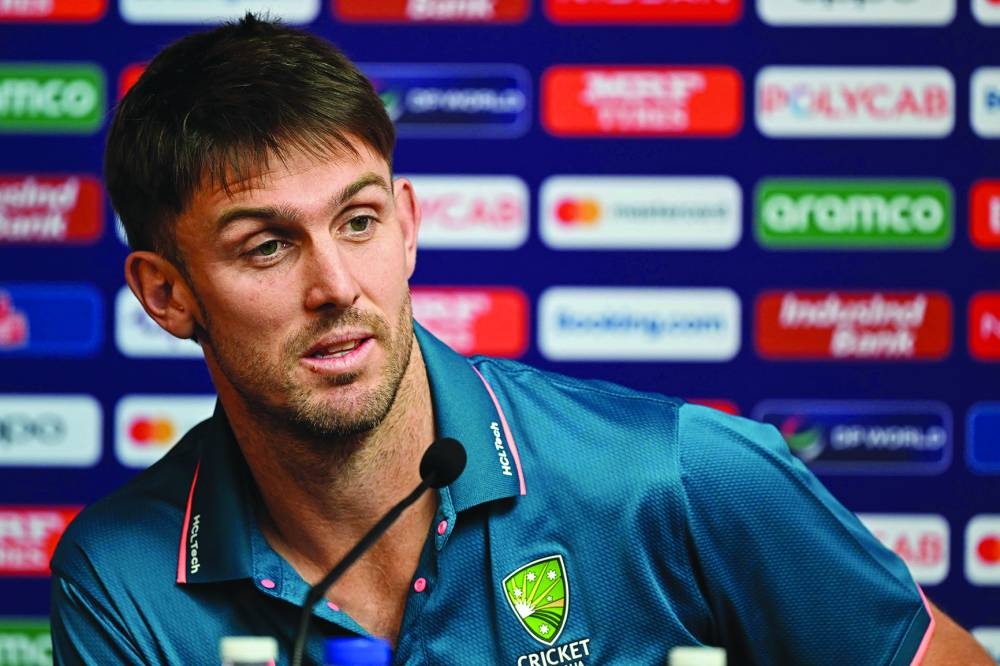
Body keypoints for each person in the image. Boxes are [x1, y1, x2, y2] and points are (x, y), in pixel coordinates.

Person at [50, 14, 990, 665]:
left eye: (360, 221)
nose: (336, 286)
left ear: (408, 224)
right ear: (167, 295)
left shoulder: (680, 474)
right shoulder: (122, 575)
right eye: (266, 246)